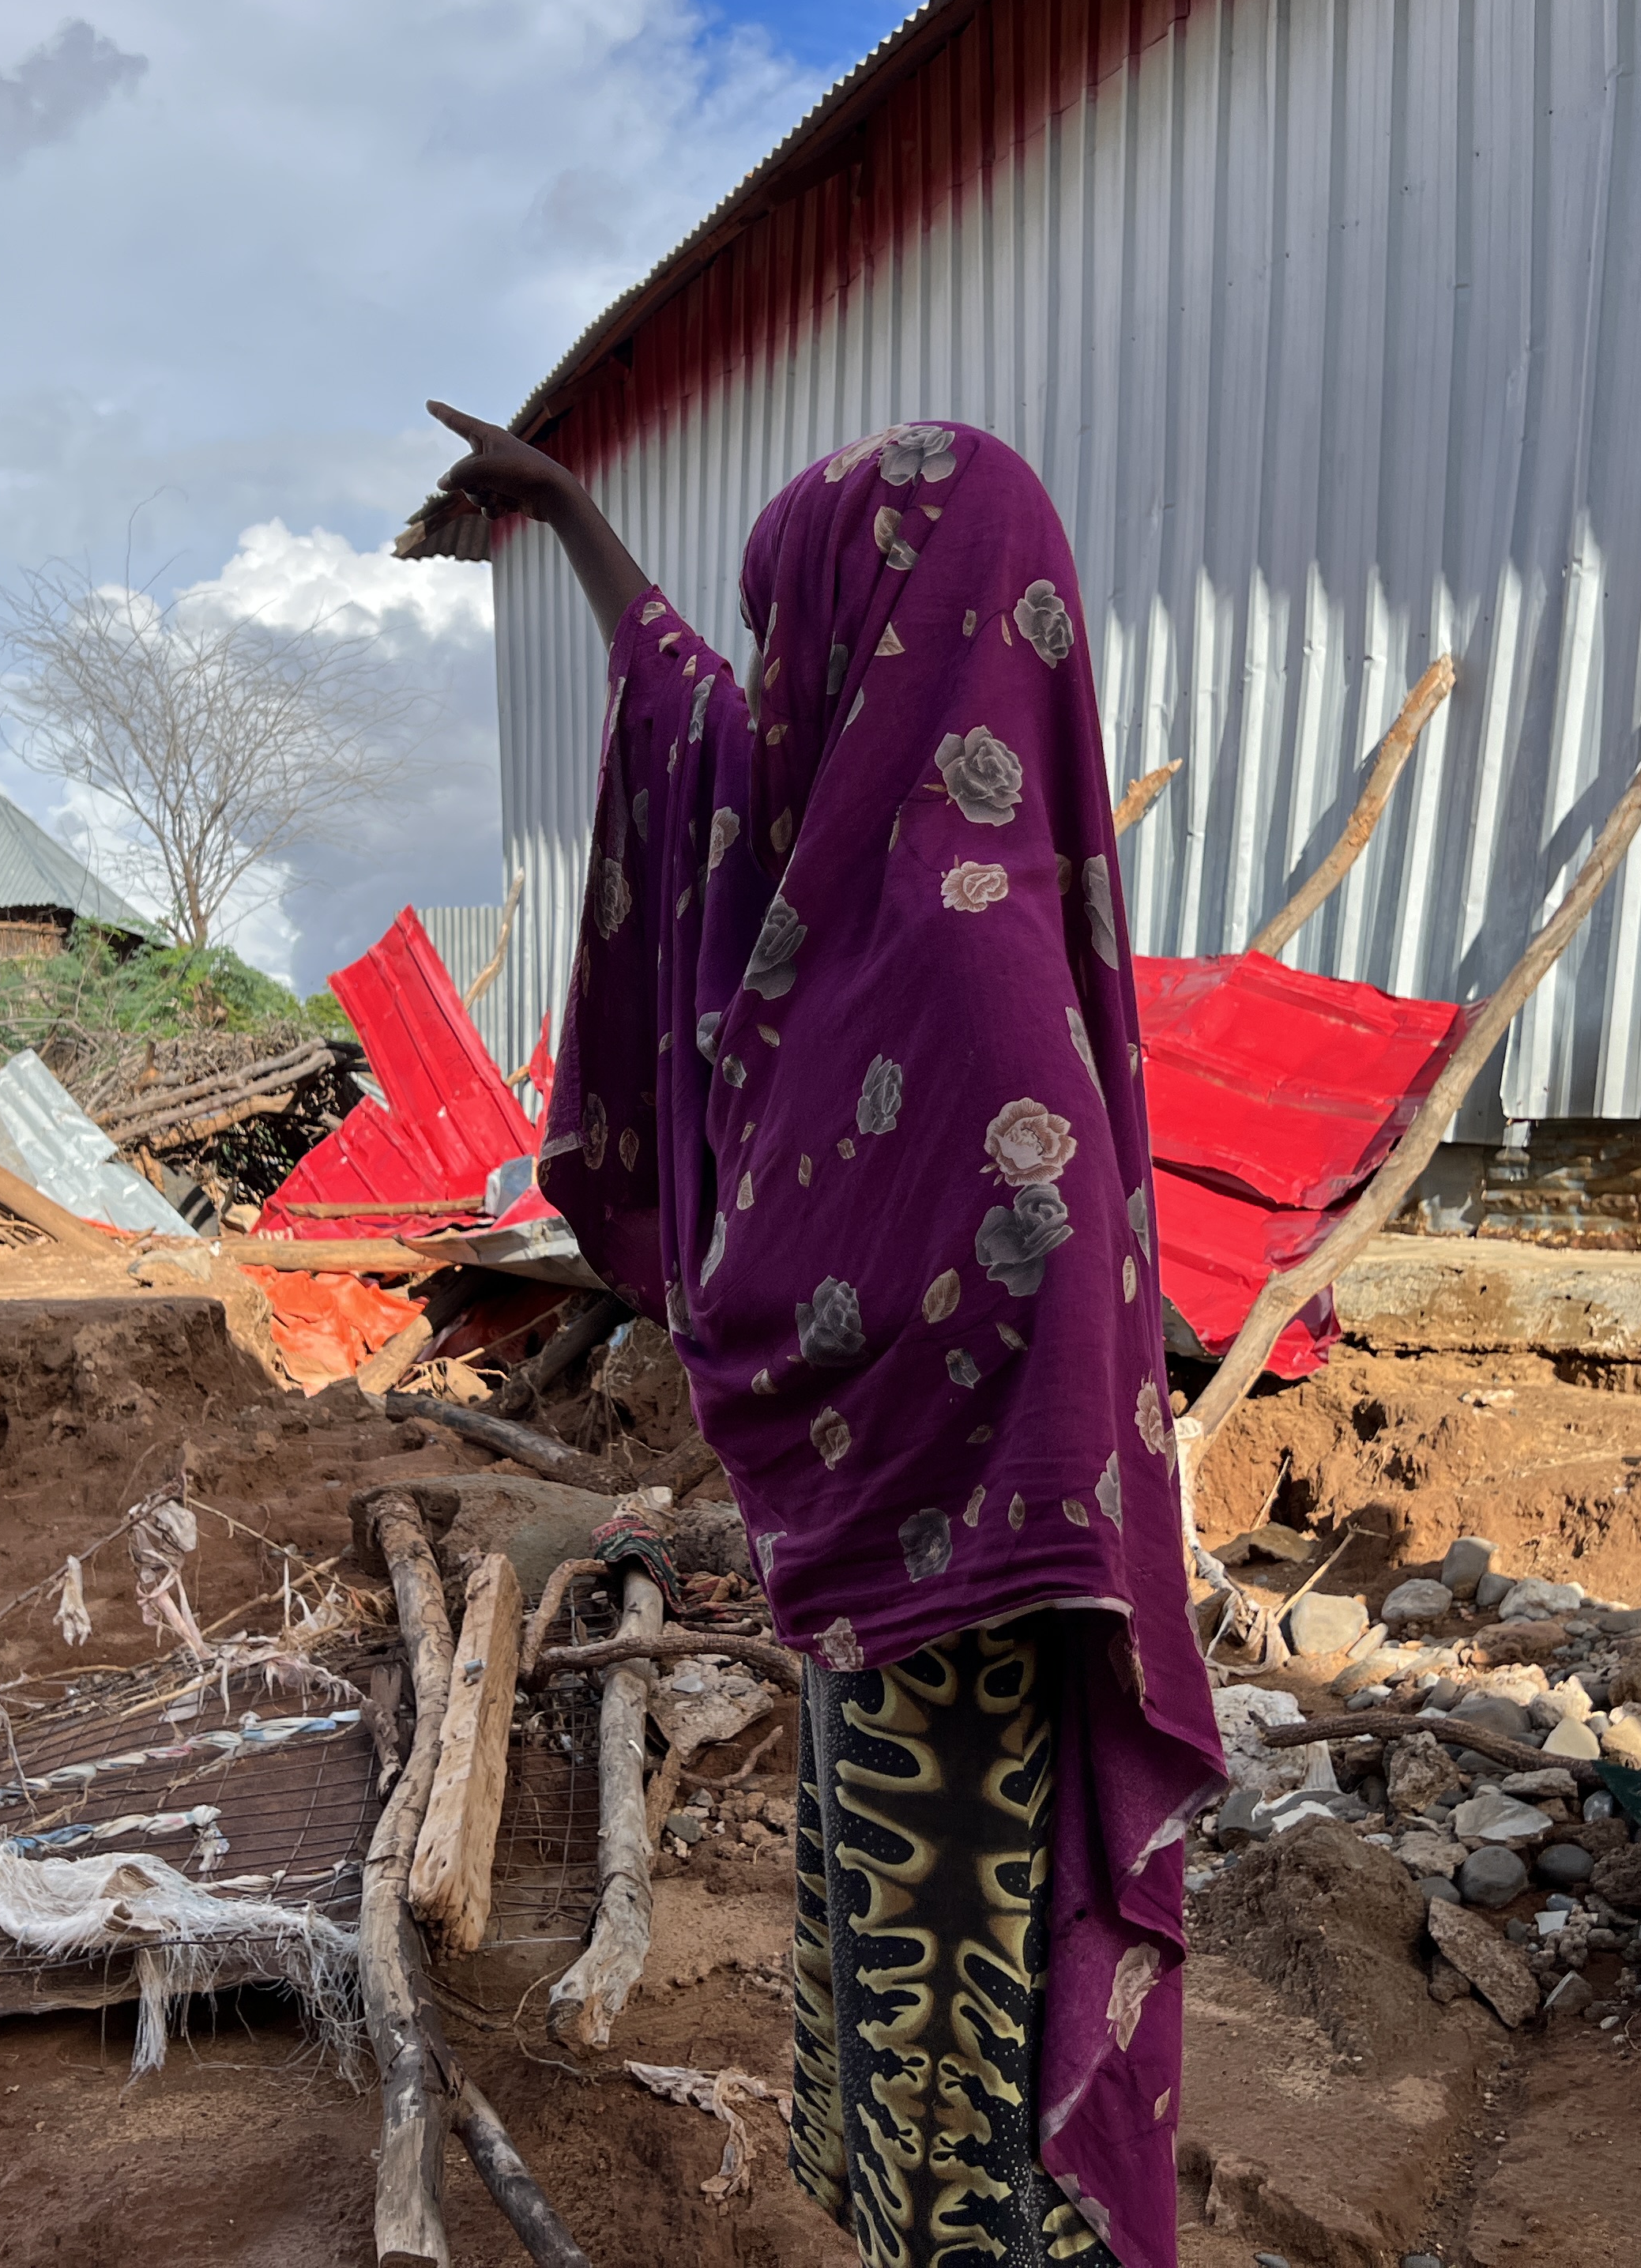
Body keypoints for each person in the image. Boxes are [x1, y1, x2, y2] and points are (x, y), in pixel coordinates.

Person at [428, 403, 1228, 2268]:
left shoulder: (962, 964)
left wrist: (937, 1472)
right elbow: (698, 720)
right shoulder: (874, 889)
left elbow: (1022, 1283)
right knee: (899, 2030)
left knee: (969, 2055)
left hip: (987, 1628)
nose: (778, 685)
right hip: (905, 1593)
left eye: (802, 637)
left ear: (878, 654)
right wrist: (569, 518)